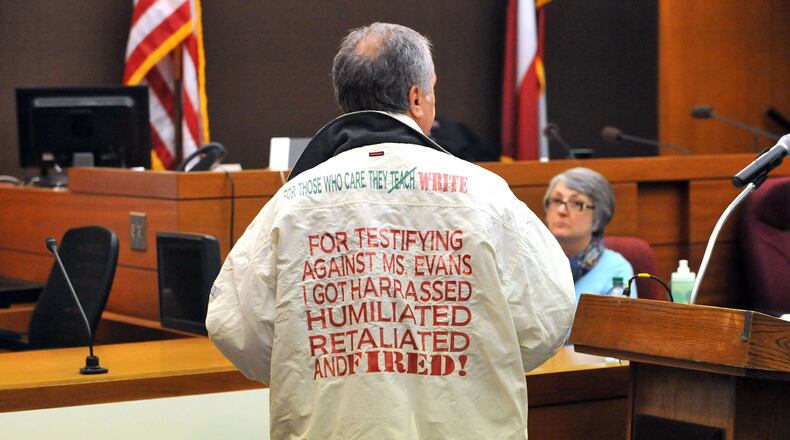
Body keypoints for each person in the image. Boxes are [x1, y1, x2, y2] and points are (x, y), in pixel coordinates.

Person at [207, 22, 575, 440]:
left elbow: (234, 327)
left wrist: (306, 364)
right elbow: (550, 313)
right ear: (416, 99)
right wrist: (483, 356)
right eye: (432, 90)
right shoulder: (484, 193)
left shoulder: (292, 201)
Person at [543, 167, 634, 299]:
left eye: (577, 203)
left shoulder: (616, 270)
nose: (561, 210)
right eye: (556, 200)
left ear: (598, 215)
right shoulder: (528, 260)